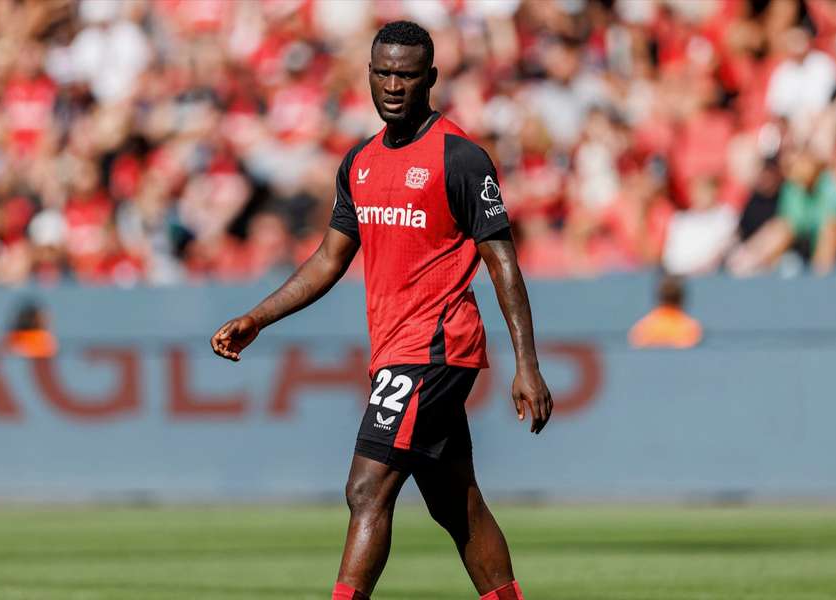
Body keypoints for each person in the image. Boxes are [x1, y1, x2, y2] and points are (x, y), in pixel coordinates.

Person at [210, 21, 552, 600]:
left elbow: (503, 264)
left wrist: (527, 364)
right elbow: (328, 260)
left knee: (366, 488)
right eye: (384, 73)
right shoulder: (359, 164)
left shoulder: (462, 159)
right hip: (397, 348)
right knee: (455, 504)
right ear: (368, 75)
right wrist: (258, 317)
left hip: (437, 346)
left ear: (431, 79)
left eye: (407, 75)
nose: (394, 85)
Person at [628, 275, 702, 349]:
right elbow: (688, 345)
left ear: (658, 298)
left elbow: (637, 343)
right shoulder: (690, 327)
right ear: (682, 299)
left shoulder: (643, 326)